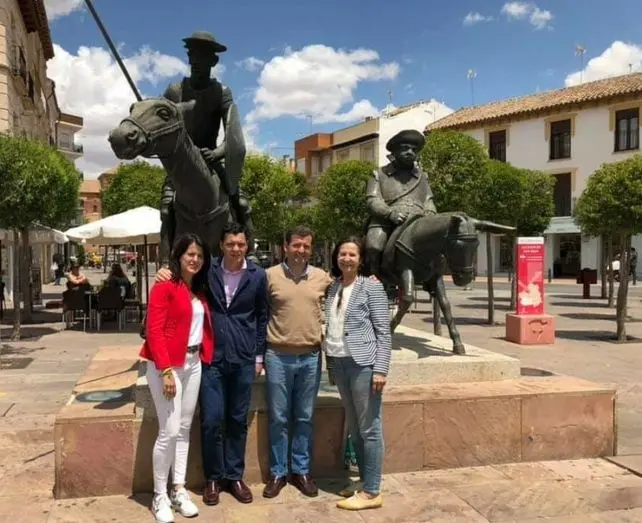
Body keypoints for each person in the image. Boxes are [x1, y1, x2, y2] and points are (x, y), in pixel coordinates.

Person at [156, 222, 268, 507]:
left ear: (247, 245)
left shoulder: (258, 275)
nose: (235, 249)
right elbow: (183, 276)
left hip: (243, 358)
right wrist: (164, 271)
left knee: (237, 420)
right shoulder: (209, 270)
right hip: (211, 359)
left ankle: (235, 476)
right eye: (230, 244)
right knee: (211, 421)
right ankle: (213, 478)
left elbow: (261, 317)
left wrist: (259, 356)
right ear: (221, 245)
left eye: (240, 244)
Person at [159, 31, 253, 265]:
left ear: (213, 61)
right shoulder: (175, 90)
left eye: (202, 58)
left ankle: (250, 254)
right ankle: (166, 261)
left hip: (211, 159)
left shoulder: (221, 92)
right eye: (192, 57)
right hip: (181, 166)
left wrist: (217, 153)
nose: (196, 62)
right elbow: (160, 120)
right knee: (166, 209)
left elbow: (232, 134)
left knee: (241, 204)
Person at [140, 232, 215, 523]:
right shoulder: (165, 285)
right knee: (169, 431)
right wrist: (165, 370)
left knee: (184, 428)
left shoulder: (199, 288)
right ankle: (159, 494)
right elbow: (154, 330)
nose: (195, 259)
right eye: (190, 254)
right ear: (179, 255)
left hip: (194, 363)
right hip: (168, 365)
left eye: (200, 255)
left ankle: (178, 488)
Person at [262, 225, 333, 499]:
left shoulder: (322, 277)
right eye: (296, 245)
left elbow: (347, 286)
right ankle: (278, 472)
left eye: (306, 246)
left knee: (304, 417)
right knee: (279, 418)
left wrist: (370, 279)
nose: (300, 250)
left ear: (310, 249)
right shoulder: (269, 276)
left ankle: (301, 470)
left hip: (310, 357)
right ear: (285, 247)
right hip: (277, 356)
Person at [323, 237, 391, 511]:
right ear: (336, 257)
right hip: (340, 363)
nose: (347, 259)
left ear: (360, 260)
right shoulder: (334, 287)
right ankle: (364, 481)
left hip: (364, 365)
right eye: (343, 254)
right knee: (355, 428)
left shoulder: (371, 287)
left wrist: (381, 369)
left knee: (369, 428)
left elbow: (384, 332)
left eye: (352, 254)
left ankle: (372, 491)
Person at [365, 129, 437, 277]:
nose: (410, 152)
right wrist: (389, 213)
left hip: (419, 219)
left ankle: (434, 277)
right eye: (405, 148)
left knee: (440, 248)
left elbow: (428, 199)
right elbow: (372, 199)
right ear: (395, 151)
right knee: (374, 245)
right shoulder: (379, 174)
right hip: (387, 219)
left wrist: (430, 212)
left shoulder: (423, 177)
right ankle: (375, 275)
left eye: (414, 150)